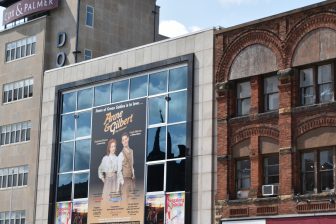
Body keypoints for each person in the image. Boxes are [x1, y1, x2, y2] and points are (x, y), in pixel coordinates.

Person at [98, 138, 119, 202]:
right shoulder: (105, 158)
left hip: (115, 180)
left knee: (114, 201)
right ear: (109, 148)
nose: (113, 148)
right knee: (106, 200)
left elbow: (120, 173)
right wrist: (103, 179)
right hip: (107, 180)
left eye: (114, 146)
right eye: (112, 146)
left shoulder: (117, 159)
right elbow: (100, 170)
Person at [118, 132, 135, 199]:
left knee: (131, 200)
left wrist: (133, 175)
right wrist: (122, 182)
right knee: (125, 201)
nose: (124, 141)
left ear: (128, 139)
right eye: (123, 140)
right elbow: (119, 170)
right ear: (122, 142)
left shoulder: (132, 151)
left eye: (125, 139)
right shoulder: (121, 154)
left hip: (131, 180)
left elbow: (132, 165)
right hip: (124, 180)